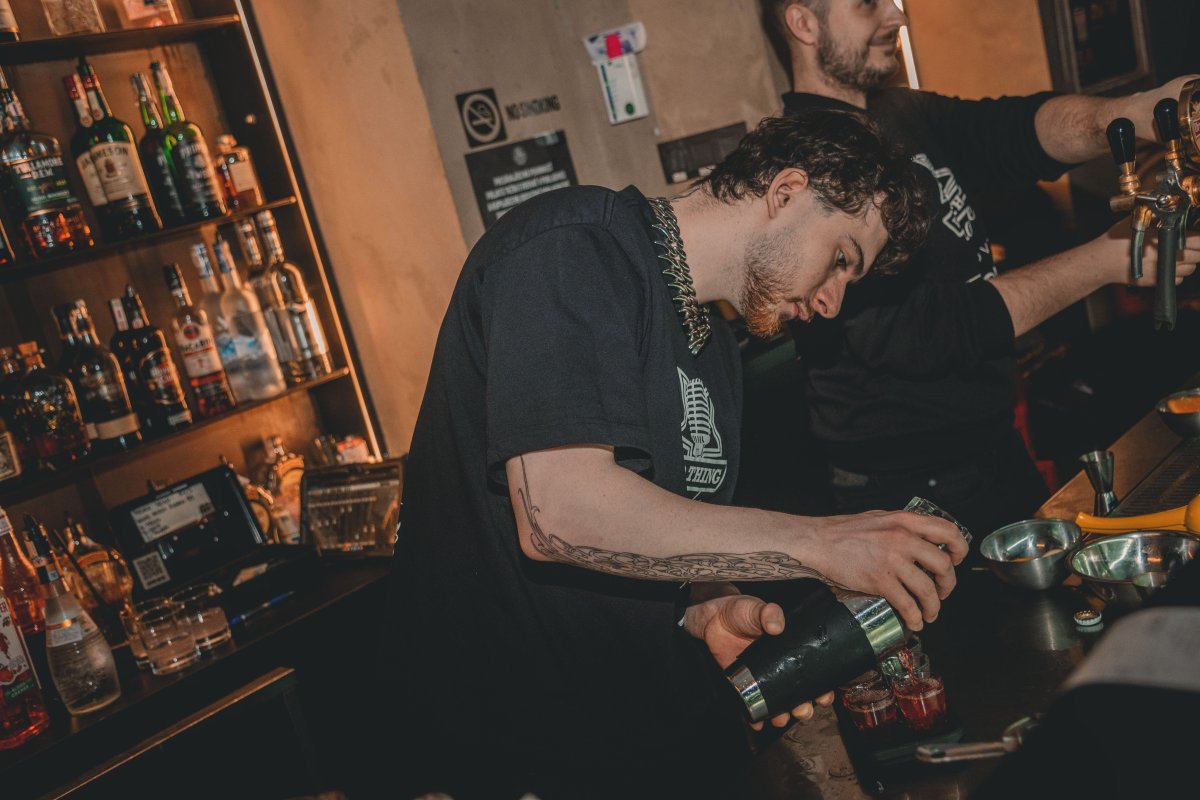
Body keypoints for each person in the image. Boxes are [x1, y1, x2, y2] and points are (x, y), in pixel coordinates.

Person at [369, 110, 968, 800]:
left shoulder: (715, 352)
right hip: (501, 748)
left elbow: (651, 536)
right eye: (841, 259)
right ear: (786, 191)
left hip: (618, 738)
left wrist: (706, 605)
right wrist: (821, 544)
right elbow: (559, 518)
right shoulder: (572, 249)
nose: (833, 302)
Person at [760, 0, 1200, 542]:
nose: (897, 17)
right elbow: (924, 332)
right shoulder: (801, 163)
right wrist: (1106, 258)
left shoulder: (898, 109)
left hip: (990, 444)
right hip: (905, 485)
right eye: (867, 4)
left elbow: (1016, 133)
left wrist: (1135, 113)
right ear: (803, 23)